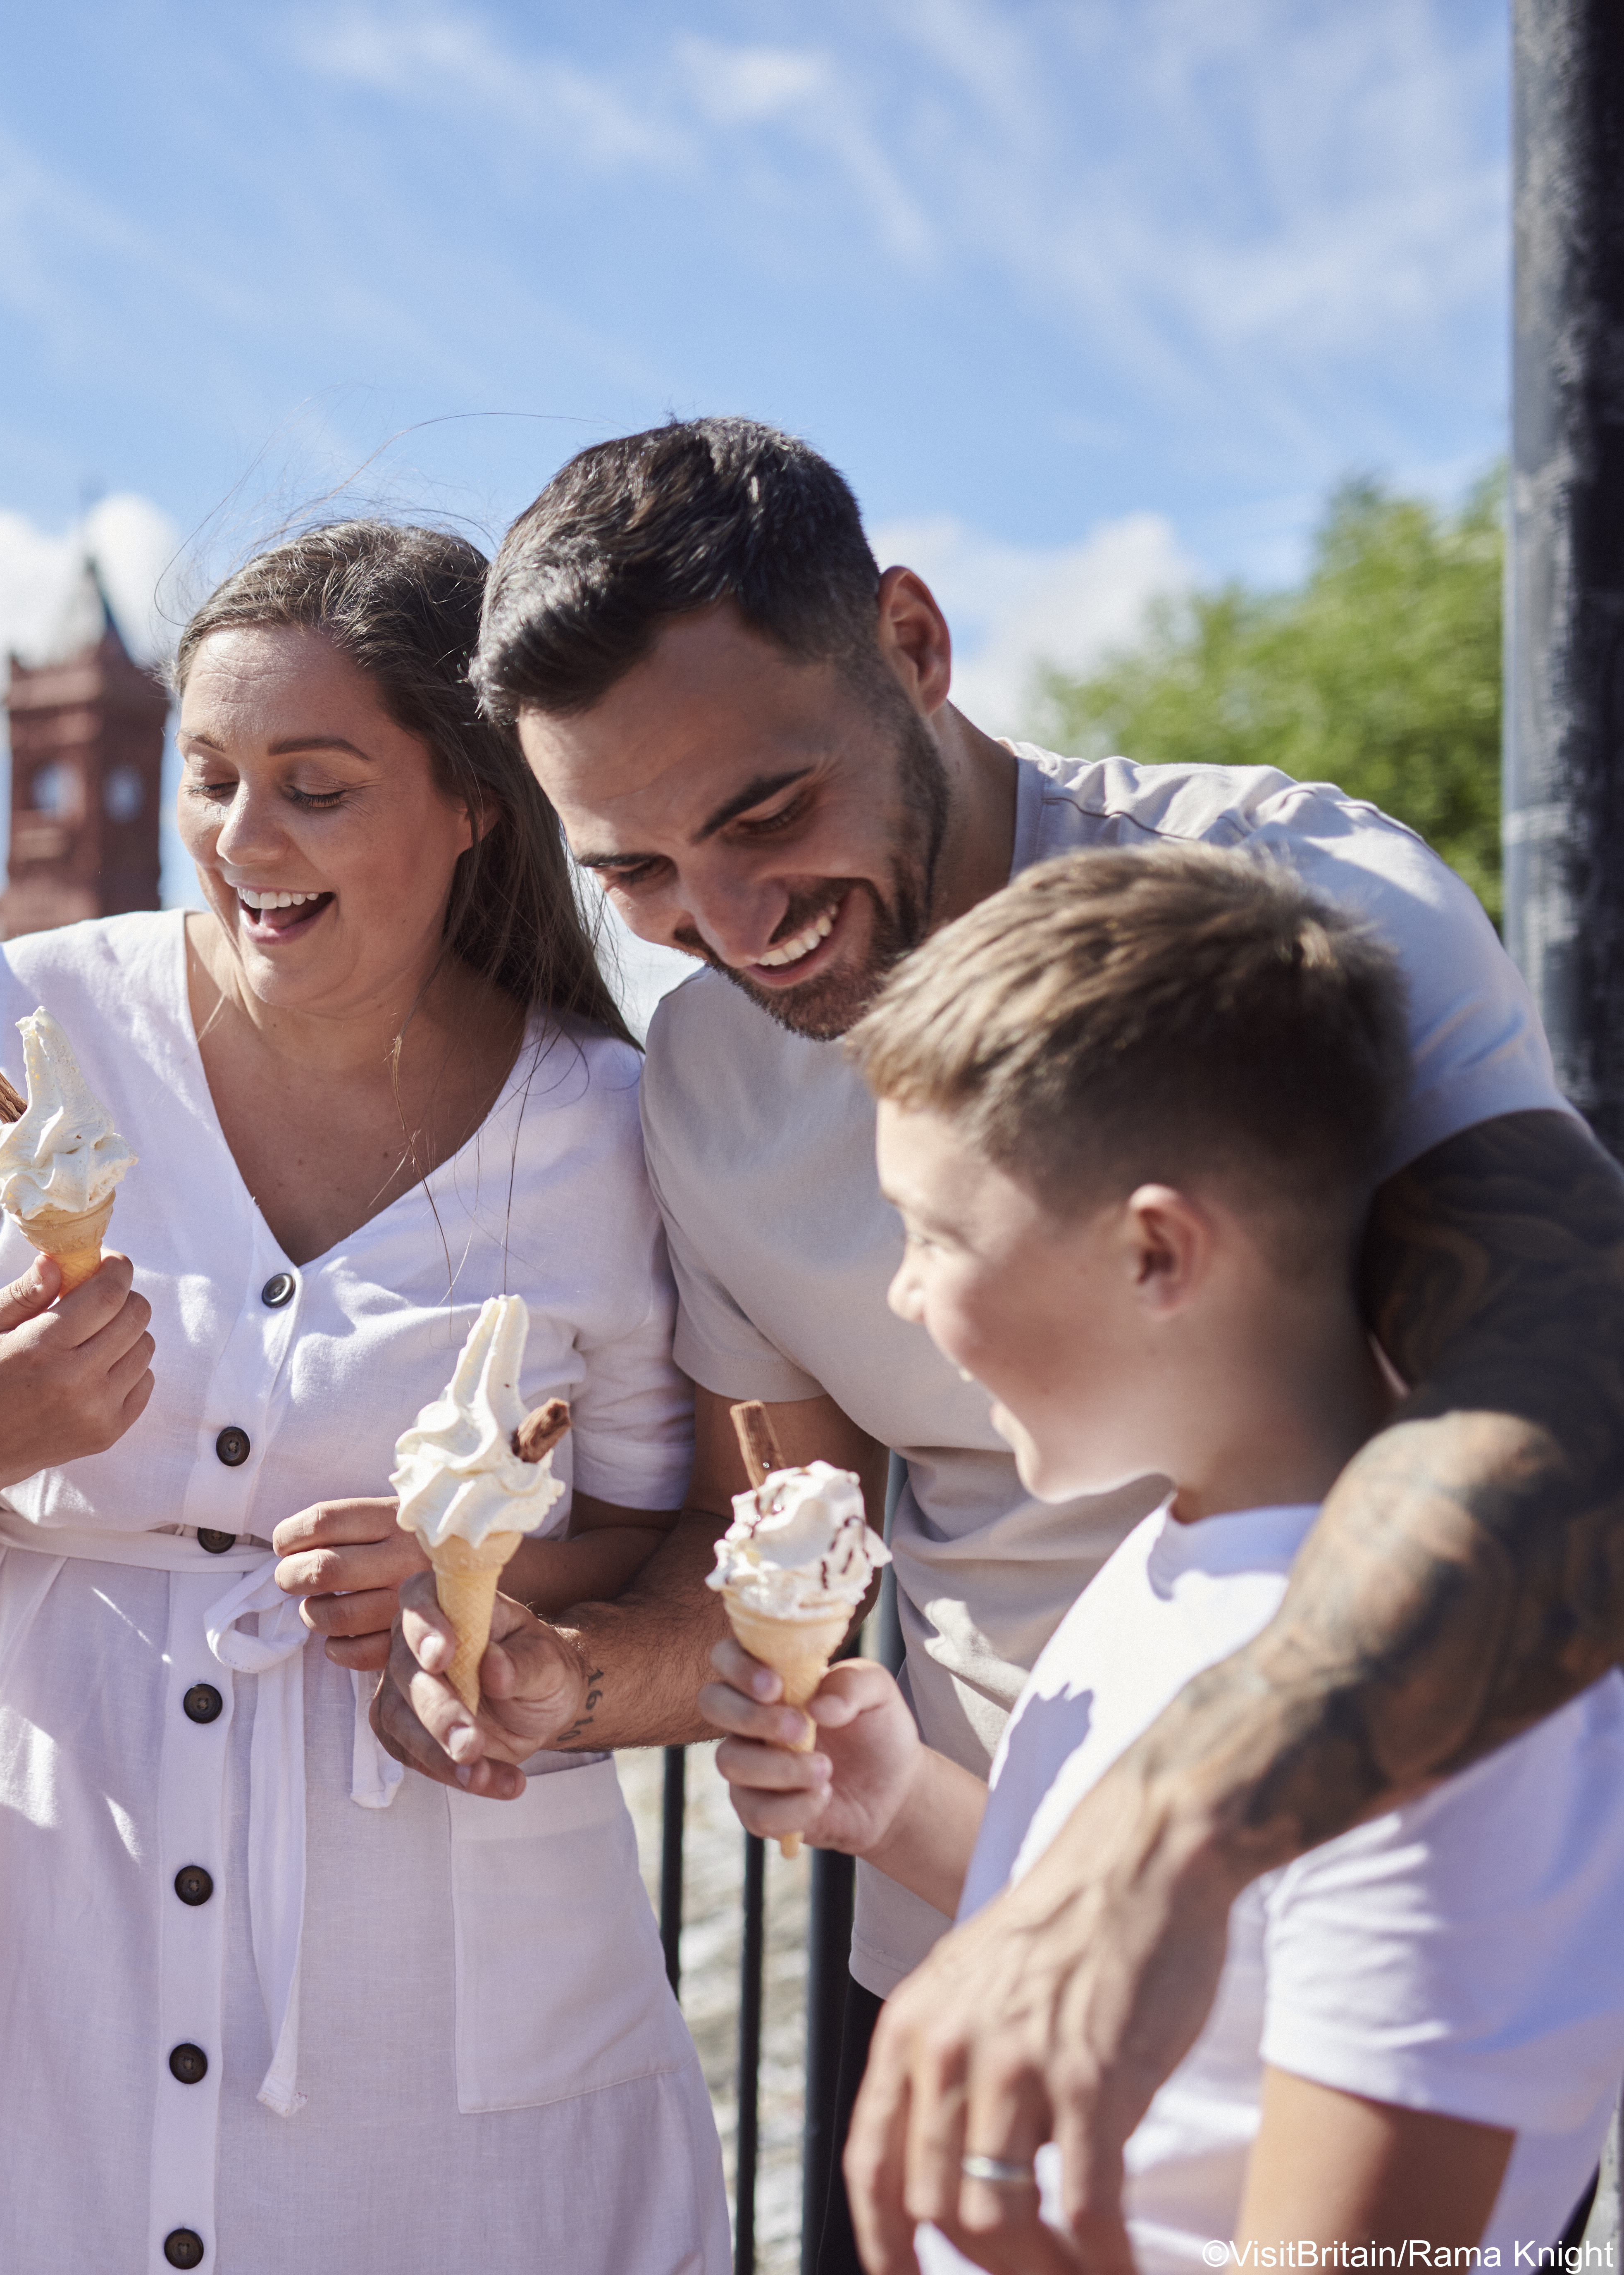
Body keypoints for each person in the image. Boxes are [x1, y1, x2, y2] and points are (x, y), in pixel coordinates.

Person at [370, 417, 1624, 2275]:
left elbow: (1576, 1393)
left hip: (1342, 1883)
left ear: (915, 641)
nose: (730, 932)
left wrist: (1164, 1846)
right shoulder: (705, 1082)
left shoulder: (1295, 906)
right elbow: (794, 1551)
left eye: (768, 813)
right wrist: (581, 1679)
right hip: (962, 1910)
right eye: (633, 874)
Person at [0, 521, 730, 2272]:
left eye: (314, 786)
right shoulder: (35, 1013)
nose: (243, 840)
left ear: (471, 797)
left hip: (446, 1944)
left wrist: (479, 1586)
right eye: (211, 778)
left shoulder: (610, 1120)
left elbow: (656, 1526)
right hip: (71, 1905)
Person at [706, 844, 1624, 2273]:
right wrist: (900, 1810)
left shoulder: (1444, 1735)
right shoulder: (1176, 1543)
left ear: (1155, 1255)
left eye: (933, 1233)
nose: (899, 1289)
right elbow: (1183, 1980)